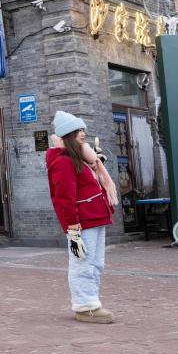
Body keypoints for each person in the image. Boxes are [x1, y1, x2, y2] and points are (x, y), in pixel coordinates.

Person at [46, 111, 115, 324]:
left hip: (95, 217)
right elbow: (64, 198)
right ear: (69, 135)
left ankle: (92, 302)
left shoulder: (80, 159)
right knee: (83, 263)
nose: (83, 134)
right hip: (83, 221)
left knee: (95, 263)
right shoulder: (63, 162)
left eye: (83, 130)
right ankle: (85, 306)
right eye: (78, 131)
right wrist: (73, 229)